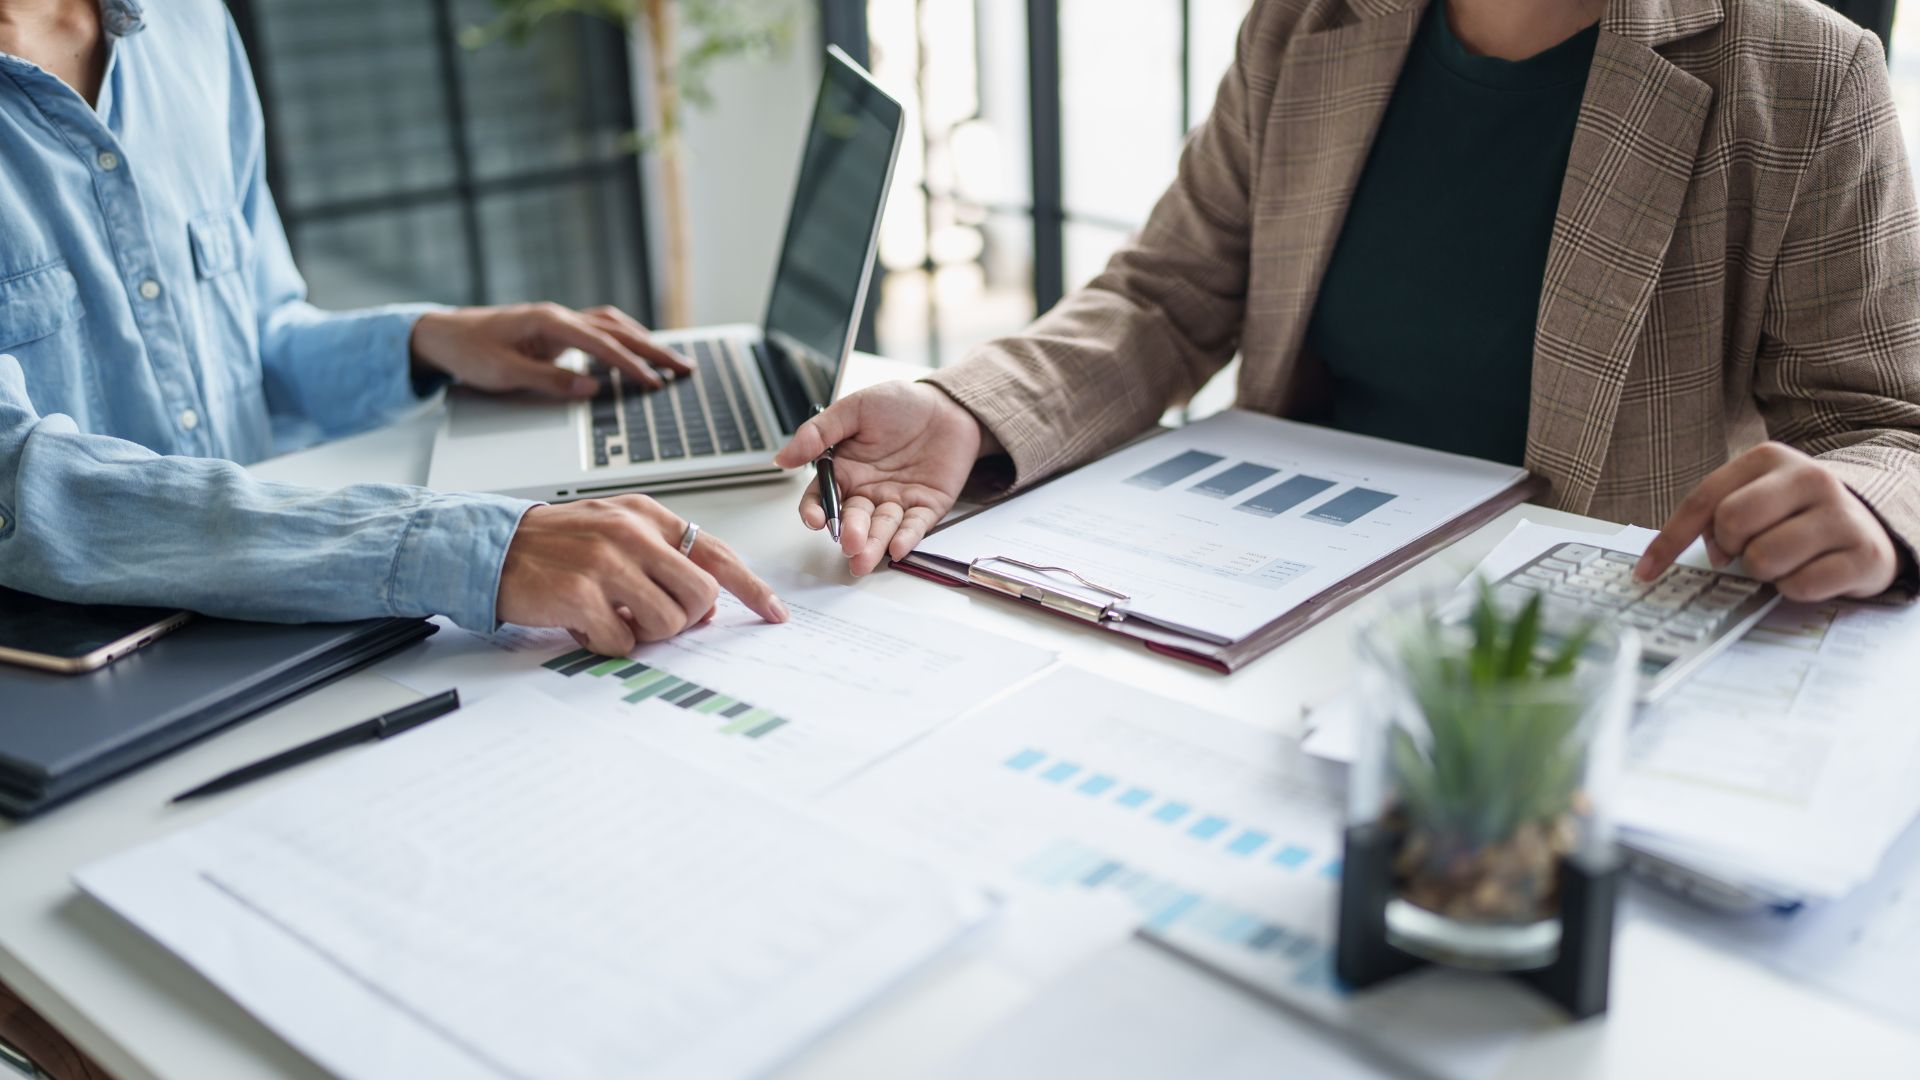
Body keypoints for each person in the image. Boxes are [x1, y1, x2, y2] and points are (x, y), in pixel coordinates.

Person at [778, 0, 1920, 605]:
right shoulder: (1310, 19)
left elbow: (1884, 422)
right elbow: (1169, 294)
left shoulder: (1807, 75)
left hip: (1563, 636)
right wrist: (968, 410)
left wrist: (1864, 510)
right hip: (1264, 584)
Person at [0, 0, 786, 658]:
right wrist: (470, 549)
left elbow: (256, 331)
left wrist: (427, 341)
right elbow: (23, 486)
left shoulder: (188, 21)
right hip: (87, 660)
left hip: (292, 604)